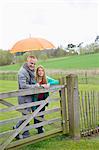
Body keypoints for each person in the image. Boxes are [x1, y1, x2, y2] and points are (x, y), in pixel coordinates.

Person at [13, 55, 38, 139]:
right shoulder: (22, 72)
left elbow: (33, 81)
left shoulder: (31, 71)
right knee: (26, 115)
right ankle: (25, 133)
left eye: (34, 64)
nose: (33, 65)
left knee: (27, 115)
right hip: (23, 97)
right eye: (31, 63)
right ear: (27, 61)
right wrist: (35, 86)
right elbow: (23, 86)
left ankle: (16, 127)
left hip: (29, 96)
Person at [32, 65, 59, 134]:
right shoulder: (34, 79)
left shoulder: (46, 79)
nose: (41, 72)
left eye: (42, 70)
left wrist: (49, 84)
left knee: (41, 114)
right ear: (37, 72)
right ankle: (37, 126)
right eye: (39, 70)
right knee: (35, 114)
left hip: (43, 100)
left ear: (44, 71)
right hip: (35, 100)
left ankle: (40, 129)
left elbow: (57, 81)